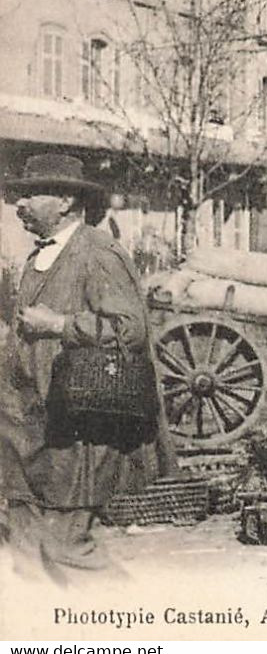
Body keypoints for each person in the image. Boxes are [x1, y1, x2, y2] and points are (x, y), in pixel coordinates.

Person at [2, 153, 158, 575]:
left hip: (74, 428)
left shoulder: (97, 251)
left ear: (66, 201)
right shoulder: (38, 258)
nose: (20, 203)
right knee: (25, 551)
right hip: (26, 429)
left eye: (32, 193)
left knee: (67, 548)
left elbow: (131, 330)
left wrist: (60, 324)